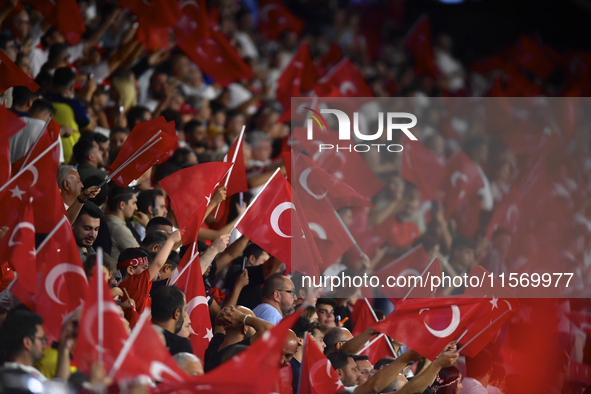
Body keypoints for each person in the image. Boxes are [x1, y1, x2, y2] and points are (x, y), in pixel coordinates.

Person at [118, 230, 180, 314]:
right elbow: (158, 263)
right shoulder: (134, 286)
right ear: (130, 270)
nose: (150, 272)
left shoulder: (128, 287)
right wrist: (171, 239)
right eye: (144, 268)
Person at [204, 305, 274, 372]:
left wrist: (223, 316)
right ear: (245, 328)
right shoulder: (238, 353)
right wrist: (242, 317)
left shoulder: (213, 347)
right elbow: (269, 329)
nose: (256, 331)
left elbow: (219, 325)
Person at [46, 67, 91, 164]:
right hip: (68, 156)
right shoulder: (73, 105)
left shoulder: (42, 101)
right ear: (71, 87)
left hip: (45, 151)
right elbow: (87, 127)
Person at [151, 285, 193, 355]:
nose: (185, 314)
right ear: (176, 313)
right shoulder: (181, 345)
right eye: (184, 309)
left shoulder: (137, 335)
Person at [105, 186, 140, 261]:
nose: (136, 208)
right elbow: (141, 258)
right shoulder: (119, 229)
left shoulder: (107, 221)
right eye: (133, 203)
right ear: (122, 205)